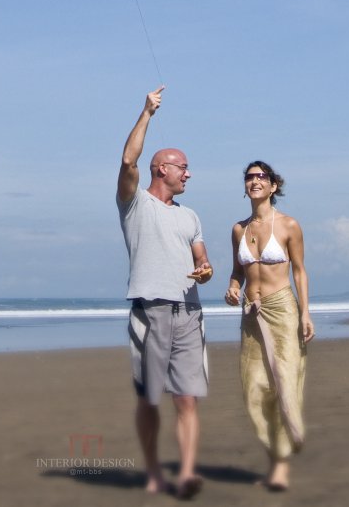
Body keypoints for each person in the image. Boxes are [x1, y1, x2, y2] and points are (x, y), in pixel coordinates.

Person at [117, 87, 213, 498]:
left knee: (188, 398)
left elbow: (201, 259)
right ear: (162, 169)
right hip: (150, 310)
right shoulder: (134, 202)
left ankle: (187, 472)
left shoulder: (190, 215)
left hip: (189, 312)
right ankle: (154, 471)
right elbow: (128, 160)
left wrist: (206, 272)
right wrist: (146, 113)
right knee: (150, 399)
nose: (188, 174)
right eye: (183, 168)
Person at [224, 160, 313, 493]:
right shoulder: (238, 229)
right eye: (249, 177)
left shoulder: (289, 225)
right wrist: (233, 288)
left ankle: (281, 466)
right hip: (251, 312)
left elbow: (300, 271)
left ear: (274, 186)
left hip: (283, 310)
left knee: (285, 384)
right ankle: (280, 447)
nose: (254, 181)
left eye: (261, 177)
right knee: (254, 390)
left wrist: (306, 313)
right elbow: (237, 271)